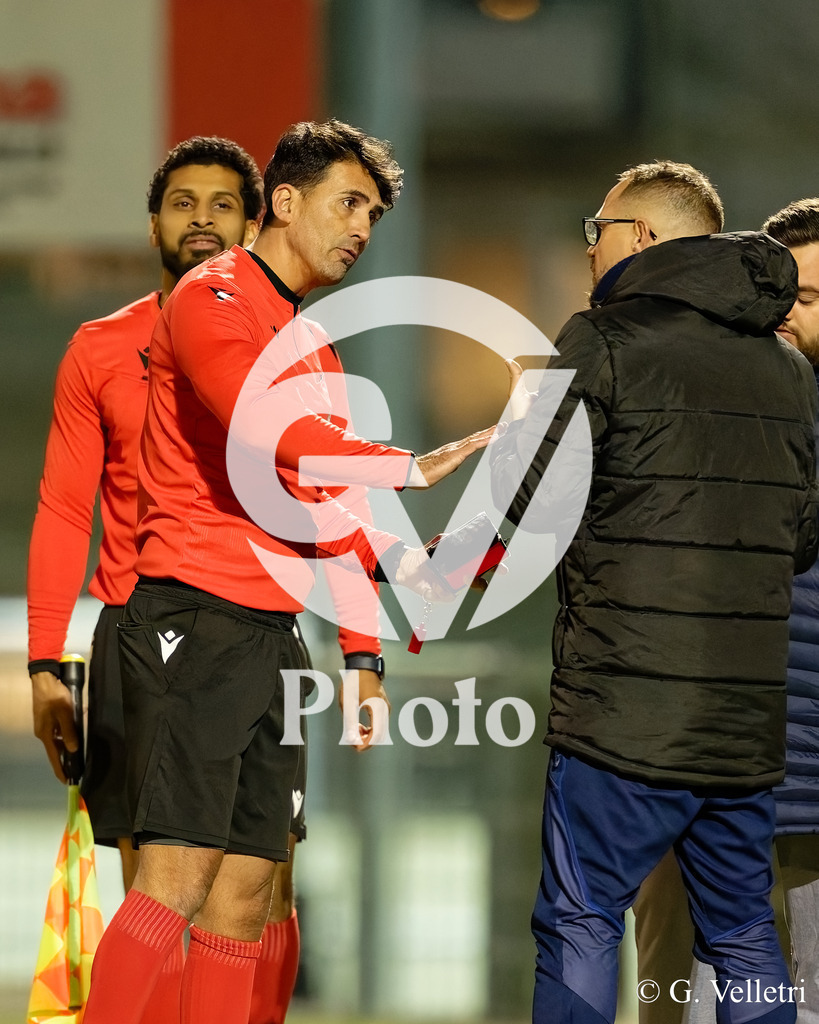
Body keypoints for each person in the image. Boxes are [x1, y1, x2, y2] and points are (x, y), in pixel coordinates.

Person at [81, 118, 492, 1024]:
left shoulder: (314, 344)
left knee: (246, 897)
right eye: (349, 204)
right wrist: (405, 465)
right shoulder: (213, 295)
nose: (362, 228)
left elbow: (323, 508)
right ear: (285, 200)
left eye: (374, 214)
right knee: (174, 882)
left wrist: (372, 638)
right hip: (192, 618)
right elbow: (265, 427)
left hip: (270, 632)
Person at [491, 160, 819, 1024]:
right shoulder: (785, 369)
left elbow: (526, 502)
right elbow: (800, 540)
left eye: (596, 231)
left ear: (639, 236)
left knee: (581, 918)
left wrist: (528, 410)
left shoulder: (602, 341)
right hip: (742, 727)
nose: (589, 249)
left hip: (620, 716)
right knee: (742, 931)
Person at [26, 136, 304, 1024]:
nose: (201, 220)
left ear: (252, 225)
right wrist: (45, 661)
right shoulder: (100, 348)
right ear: (152, 224)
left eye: (222, 204)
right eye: (182, 203)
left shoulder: (285, 345)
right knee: (163, 883)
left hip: (259, 624)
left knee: (265, 886)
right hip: (149, 633)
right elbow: (63, 508)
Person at [640, 198, 819, 1024]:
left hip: (806, 795)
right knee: (675, 1001)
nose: (786, 311)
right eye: (779, 290)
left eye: (808, 298)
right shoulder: (688, 401)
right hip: (689, 781)